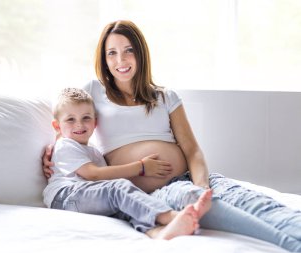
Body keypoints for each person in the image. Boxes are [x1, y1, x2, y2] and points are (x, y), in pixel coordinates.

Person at [43, 20, 301, 251]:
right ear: (104, 59)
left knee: (257, 204)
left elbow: (192, 151)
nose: (120, 60)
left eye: (128, 50)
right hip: (153, 194)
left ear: (141, 53)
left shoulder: (165, 96)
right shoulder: (94, 90)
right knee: (219, 210)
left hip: (191, 176)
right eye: (112, 53)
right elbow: (70, 117)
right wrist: (56, 152)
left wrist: (202, 186)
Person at [43, 87, 213, 239]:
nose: (79, 124)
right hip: (66, 197)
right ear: (57, 126)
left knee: (128, 206)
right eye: (70, 120)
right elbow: (92, 174)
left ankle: (156, 232)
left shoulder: (93, 151)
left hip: (84, 196)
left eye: (86, 118)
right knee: (118, 188)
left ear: (95, 123)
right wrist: (140, 167)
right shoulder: (66, 145)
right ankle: (170, 216)